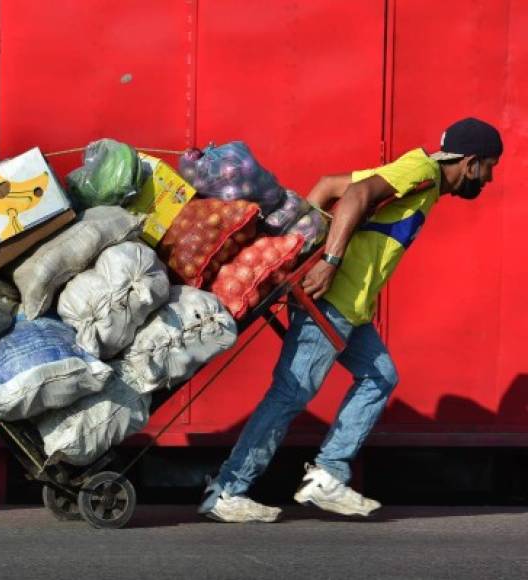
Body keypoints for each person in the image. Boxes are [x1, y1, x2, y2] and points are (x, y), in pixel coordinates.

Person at [199, 118, 504, 523]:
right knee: (291, 394)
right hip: (334, 299)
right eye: (489, 166)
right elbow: (357, 193)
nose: (489, 178)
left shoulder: (418, 178)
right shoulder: (422, 173)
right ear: (469, 163)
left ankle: (327, 474)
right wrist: (325, 262)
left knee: (380, 376)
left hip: (351, 307)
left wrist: (293, 249)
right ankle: (229, 489)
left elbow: (327, 186)